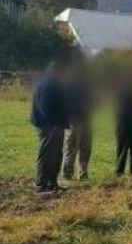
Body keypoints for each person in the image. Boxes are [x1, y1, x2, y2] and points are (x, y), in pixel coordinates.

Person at [30, 62, 70, 194]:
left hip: (56, 124)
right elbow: (45, 106)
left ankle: (52, 182)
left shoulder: (53, 83)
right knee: (47, 154)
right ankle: (40, 184)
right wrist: (54, 123)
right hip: (48, 125)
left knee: (56, 154)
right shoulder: (48, 84)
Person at [62, 66, 95, 181]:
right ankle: (67, 174)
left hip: (86, 119)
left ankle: (83, 173)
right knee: (71, 148)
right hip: (74, 121)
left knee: (86, 148)